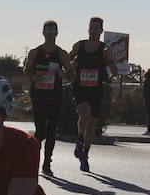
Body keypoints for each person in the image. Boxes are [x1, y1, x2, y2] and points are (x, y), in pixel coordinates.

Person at [23, 20, 76, 176]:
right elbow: (26, 70)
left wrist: (64, 74)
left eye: (53, 32)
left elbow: (72, 75)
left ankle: (47, 163)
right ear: (43, 33)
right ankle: (33, 160)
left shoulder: (62, 53)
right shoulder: (35, 52)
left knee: (52, 130)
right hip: (39, 95)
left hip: (54, 96)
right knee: (40, 131)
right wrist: (33, 77)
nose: (51, 35)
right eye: (48, 32)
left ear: (57, 33)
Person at [69, 16, 118, 172]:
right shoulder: (79, 46)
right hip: (80, 87)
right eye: (91, 27)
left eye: (96, 28)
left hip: (96, 89)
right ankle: (79, 139)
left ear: (101, 30)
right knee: (84, 114)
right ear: (88, 28)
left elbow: (114, 70)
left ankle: (85, 154)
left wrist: (111, 71)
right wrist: (68, 70)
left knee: (91, 122)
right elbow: (67, 61)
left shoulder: (106, 49)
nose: (93, 30)